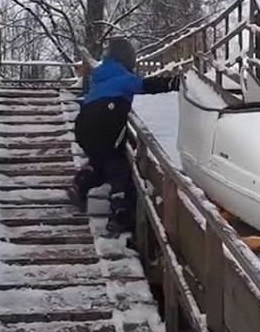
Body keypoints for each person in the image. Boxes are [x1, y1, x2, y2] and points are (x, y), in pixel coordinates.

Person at [68, 37, 179, 237]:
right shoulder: (123, 76)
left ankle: (82, 182)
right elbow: (145, 85)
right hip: (106, 121)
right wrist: (171, 83)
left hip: (84, 125)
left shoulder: (101, 76)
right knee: (118, 167)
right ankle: (119, 212)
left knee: (101, 160)